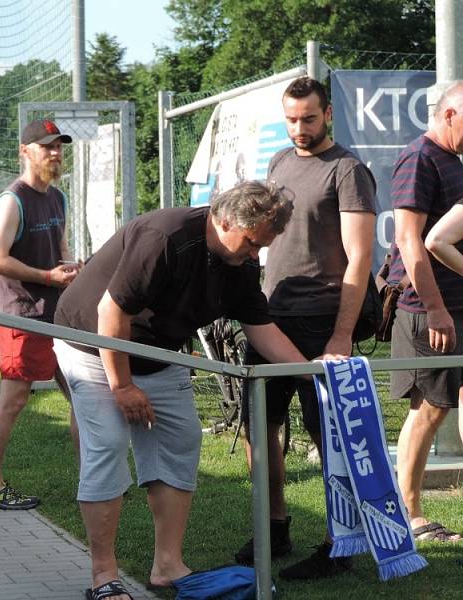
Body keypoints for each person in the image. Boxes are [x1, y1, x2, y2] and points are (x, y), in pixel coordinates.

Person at [54, 181, 309, 600]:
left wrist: (314, 373)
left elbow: (261, 329)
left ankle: (167, 566)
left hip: (161, 352)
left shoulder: (240, 266)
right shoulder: (166, 237)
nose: (255, 255)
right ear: (224, 220)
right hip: (92, 344)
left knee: (180, 440)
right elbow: (111, 311)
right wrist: (122, 386)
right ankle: (105, 576)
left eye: (262, 247)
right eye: (250, 243)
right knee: (109, 444)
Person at [235, 76, 377, 579]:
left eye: (309, 119)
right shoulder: (277, 162)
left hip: (323, 321)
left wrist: (341, 336)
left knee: (331, 439)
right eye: (291, 119)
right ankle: (274, 527)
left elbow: (360, 259)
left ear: (328, 115)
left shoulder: (349, 170)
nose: (299, 128)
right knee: (259, 426)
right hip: (273, 316)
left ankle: (338, 543)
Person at [0, 119, 81, 510]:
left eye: (59, 147)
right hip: (21, 316)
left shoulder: (58, 197)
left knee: (82, 396)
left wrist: (72, 267)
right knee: (14, 401)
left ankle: (94, 479)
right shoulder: (13, 199)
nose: (55, 153)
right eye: (47, 147)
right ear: (25, 150)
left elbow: (60, 247)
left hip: (59, 313)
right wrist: (47, 277)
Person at [388, 80, 463, 543]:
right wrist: (436, 310)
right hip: (426, 310)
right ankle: (410, 513)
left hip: (456, 306)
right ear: (451, 113)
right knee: (430, 410)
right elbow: (408, 239)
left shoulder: (451, 157)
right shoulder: (419, 156)